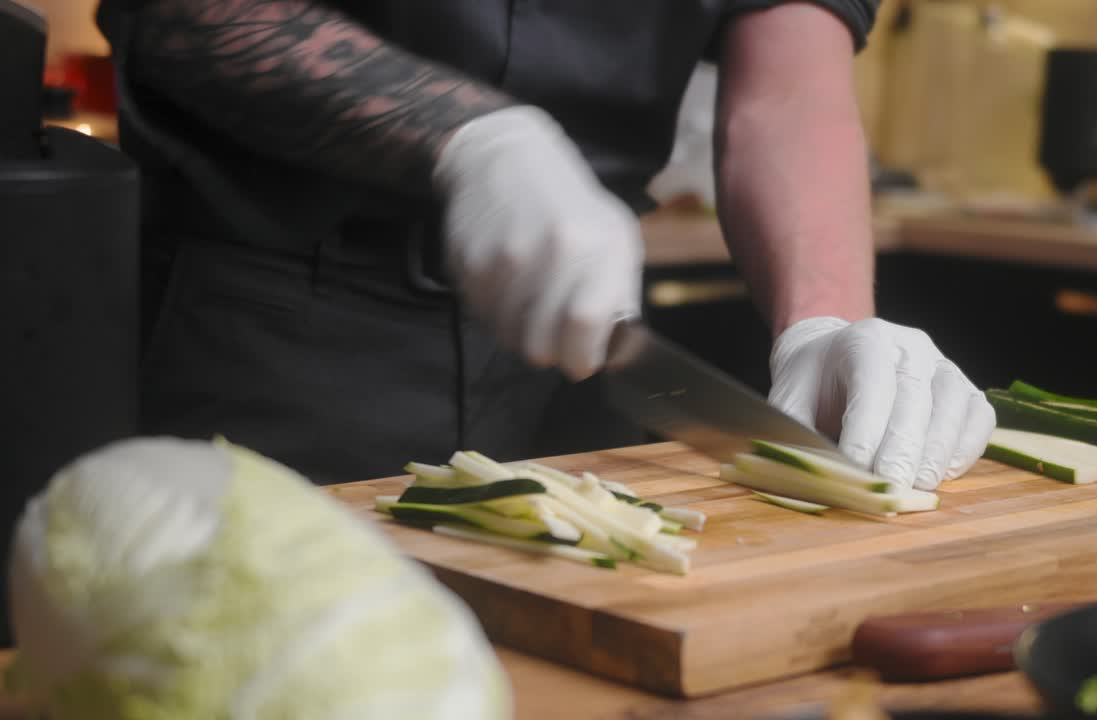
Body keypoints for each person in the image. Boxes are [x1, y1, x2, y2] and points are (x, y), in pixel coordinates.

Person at [93, 0, 995, 487]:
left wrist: (826, 321)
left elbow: (788, 89)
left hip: (574, 352)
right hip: (260, 325)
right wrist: (472, 137)